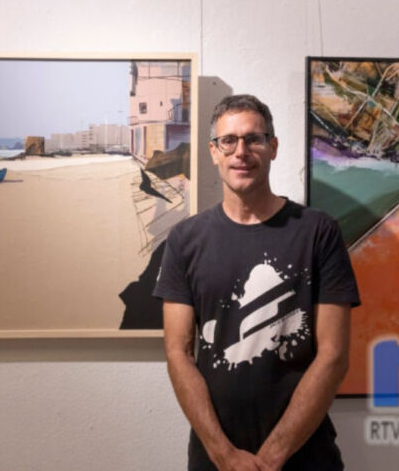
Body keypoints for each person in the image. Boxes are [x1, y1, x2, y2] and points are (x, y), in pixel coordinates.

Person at [153, 94, 360, 470]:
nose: (241, 152)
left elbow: (334, 356)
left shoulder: (318, 232)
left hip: (306, 458)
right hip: (215, 460)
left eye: (254, 139)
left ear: (273, 147)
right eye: (228, 141)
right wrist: (223, 454)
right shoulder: (185, 239)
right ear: (214, 152)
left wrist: (272, 457)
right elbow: (177, 352)